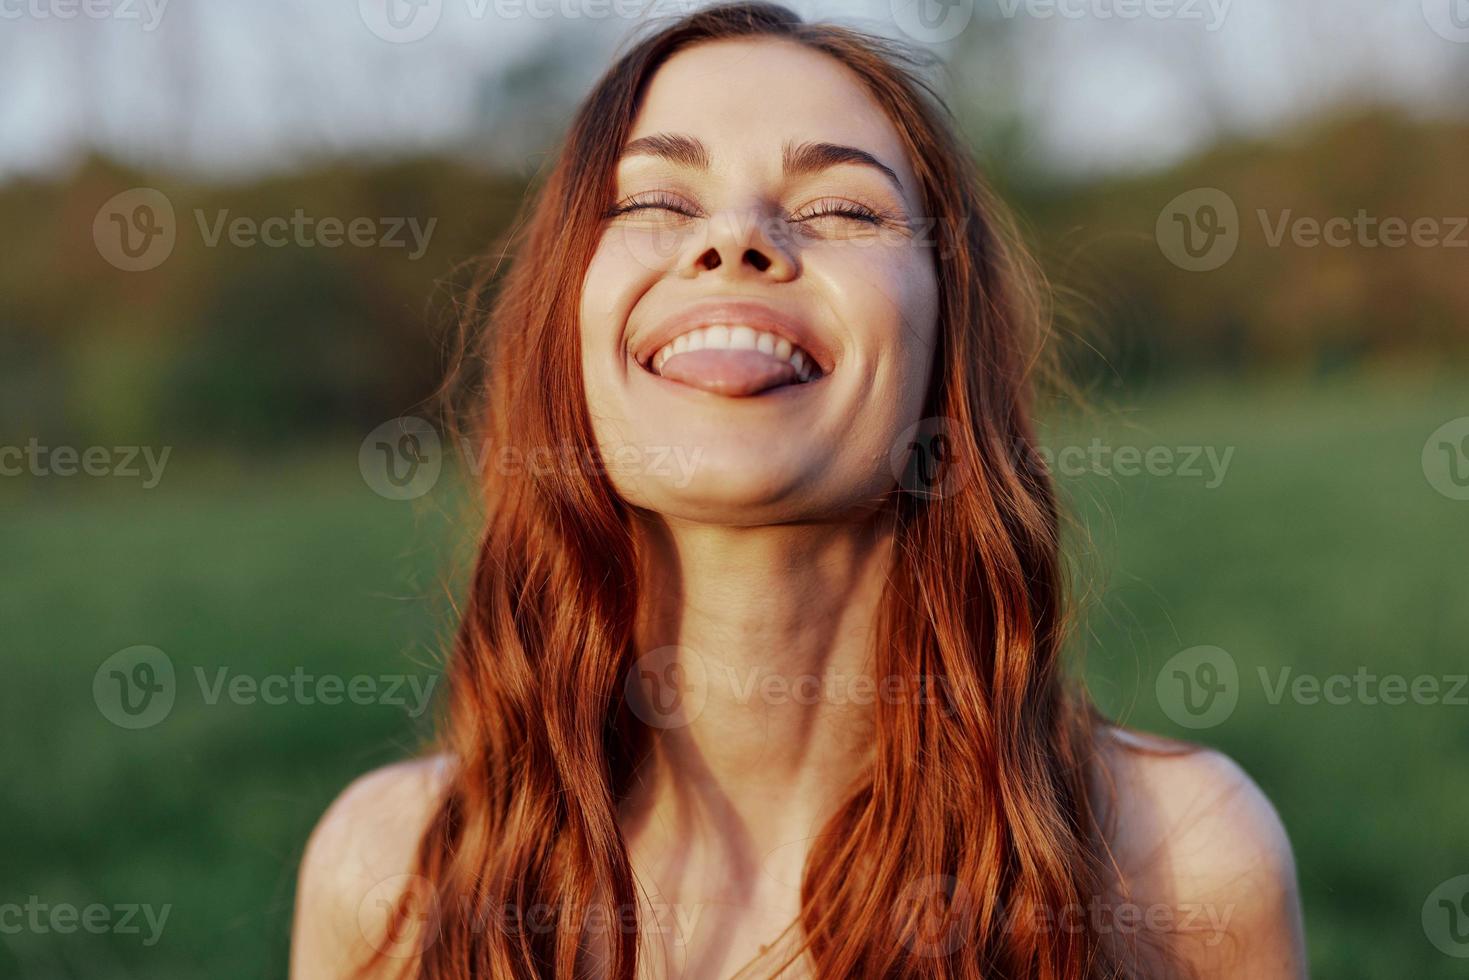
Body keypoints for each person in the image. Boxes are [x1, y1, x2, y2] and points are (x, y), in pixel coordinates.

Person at [290, 3, 1307, 977]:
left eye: (840, 207)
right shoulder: (386, 878)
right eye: (654, 200)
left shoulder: (1181, 862)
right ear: (564, 324)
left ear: (948, 347)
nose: (732, 238)